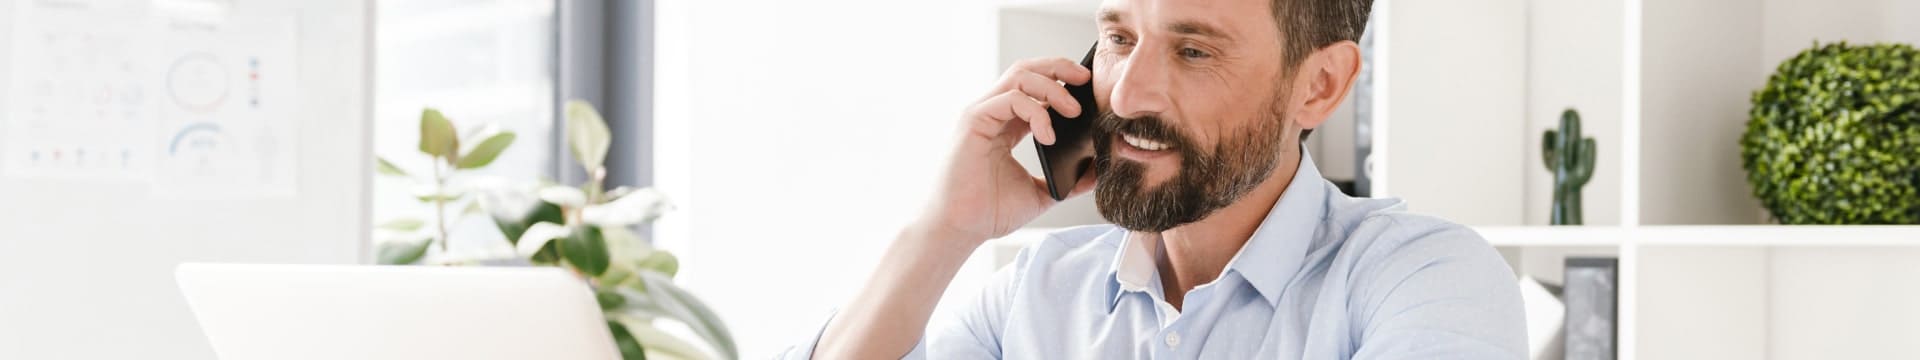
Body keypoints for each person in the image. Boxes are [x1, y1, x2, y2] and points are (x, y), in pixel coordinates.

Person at [783, 0, 1526, 358]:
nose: (1128, 94)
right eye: (1117, 39)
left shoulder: (1426, 279)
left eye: (1194, 51)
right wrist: (942, 230)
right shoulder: (1035, 294)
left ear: (1321, 87)